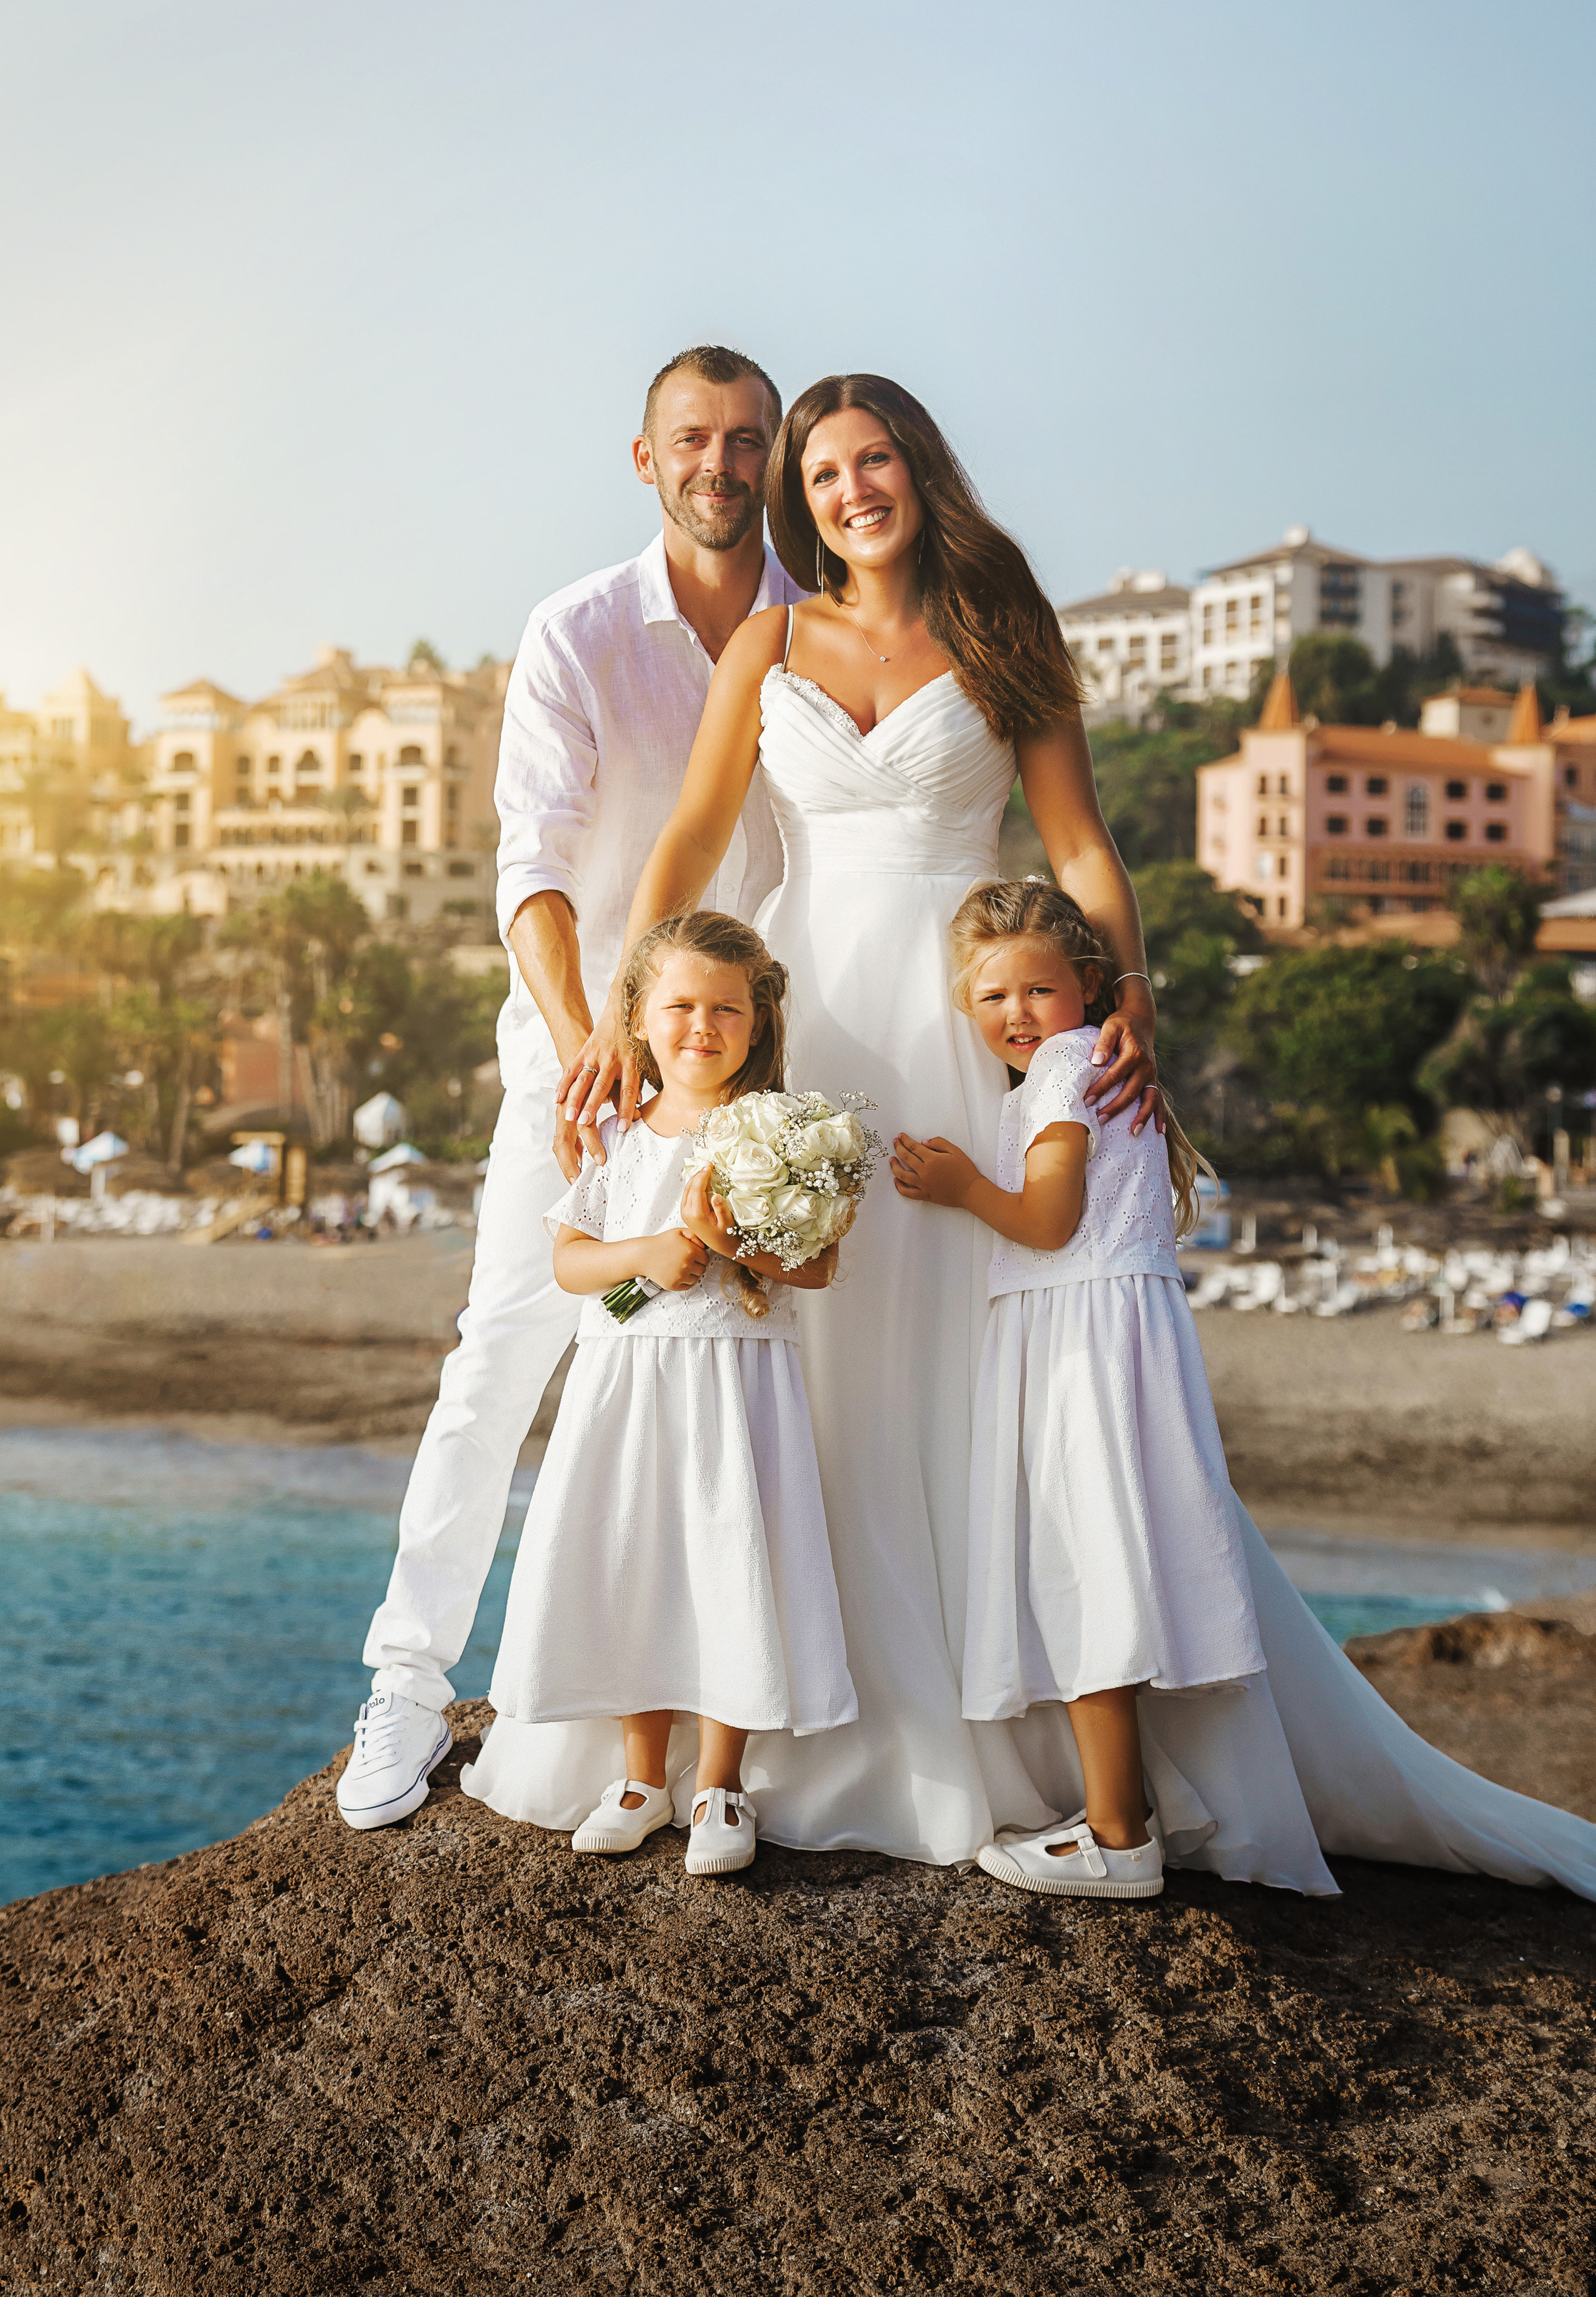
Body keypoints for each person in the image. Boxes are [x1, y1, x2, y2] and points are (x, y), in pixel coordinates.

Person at [469, 372, 1596, 1902]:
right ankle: (736, 1742)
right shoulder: (768, 638)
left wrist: (1122, 1000)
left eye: (871, 461)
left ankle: (980, 1736)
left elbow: (1078, 846)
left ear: (920, 469)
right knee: (784, 1360)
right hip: (814, 1032)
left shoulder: (1003, 622)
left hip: (959, 1027)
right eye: (821, 473)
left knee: (969, 1358)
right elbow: (686, 839)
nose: (848, 491)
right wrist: (622, 1003)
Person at [336, 345, 801, 1831]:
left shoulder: (827, 624)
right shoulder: (579, 630)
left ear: (772, 455)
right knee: (510, 1348)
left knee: (743, 1375)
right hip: (581, 1063)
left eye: (743, 443)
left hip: (765, 1076)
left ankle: (748, 1728)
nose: (718, 468)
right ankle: (408, 1683)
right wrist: (586, 1032)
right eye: (691, 441)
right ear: (642, 456)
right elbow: (529, 865)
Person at [893, 877, 1264, 1902]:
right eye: (992, 999)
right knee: (1103, 1571)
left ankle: (1118, 1834)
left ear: (1090, 986)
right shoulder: (1094, 1063)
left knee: (1082, 1574)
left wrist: (964, 1186)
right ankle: (1126, 1810)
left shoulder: (1064, 1069)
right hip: (1121, 1338)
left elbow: (1051, 1221)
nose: (1017, 1015)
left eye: (1039, 990)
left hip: (1078, 1351)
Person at [486, 911, 856, 1877]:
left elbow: (814, 1272)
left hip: (735, 1387)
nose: (703, 1026)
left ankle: (720, 1783)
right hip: (628, 1387)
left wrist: (731, 1243)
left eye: (726, 1008)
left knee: (730, 1567)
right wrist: (645, 1255)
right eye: (681, 1006)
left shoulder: (777, 1135)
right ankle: (642, 1777)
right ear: (640, 1018)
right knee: (635, 1564)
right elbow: (575, 1266)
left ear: (759, 1020)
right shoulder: (610, 1135)